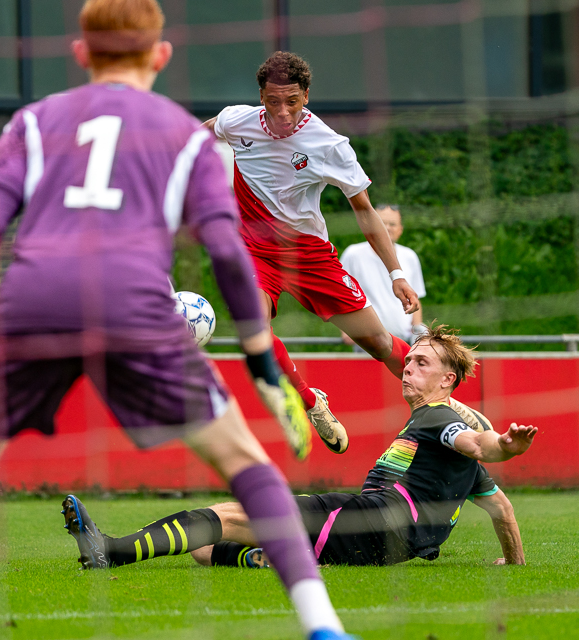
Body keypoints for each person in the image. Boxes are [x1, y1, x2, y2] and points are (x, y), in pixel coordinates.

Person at [0, 2, 353, 639]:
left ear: (80, 53)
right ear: (160, 55)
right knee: (246, 466)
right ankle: (324, 627)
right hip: (135, 304)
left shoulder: (35, 120)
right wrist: (263, 364)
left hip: (35, 298)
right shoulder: (187, 135)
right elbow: (229, 254)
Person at [63, 323, 535, 572]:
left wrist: (506, 446)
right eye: (408, 359)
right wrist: (513, 561)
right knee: (205, 551)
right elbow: (503, 510)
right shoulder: (438, 434)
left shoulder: (440, 417)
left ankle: (111, 551)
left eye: (421, 362)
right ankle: (269, 558)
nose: (408, 367)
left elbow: (479, 444)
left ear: (447, 380)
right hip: (380, 543)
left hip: (368, 521)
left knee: (231, 512)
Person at [205, 51, 488, 457]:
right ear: (260, 97)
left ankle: (445, 403)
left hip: (308, 255)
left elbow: (366, 213)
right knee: (254, 327)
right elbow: (203, 132)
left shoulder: (328, 144)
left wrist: (396, 274)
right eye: (272, 102)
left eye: (292, 102)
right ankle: (309, 402)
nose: (282, 113)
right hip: (252, 249)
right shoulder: (238, 120)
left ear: (306, 96)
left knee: (376, 341)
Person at [340, 204, 426, 345]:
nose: (387, 228)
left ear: (400, 230)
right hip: (367, 343)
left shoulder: (410, 257)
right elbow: (340, 293)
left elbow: (415, 299)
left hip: (404, 343)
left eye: (392, 224)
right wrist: (347, 330)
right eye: (382, 223)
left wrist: (418, 337)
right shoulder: (353, 255)